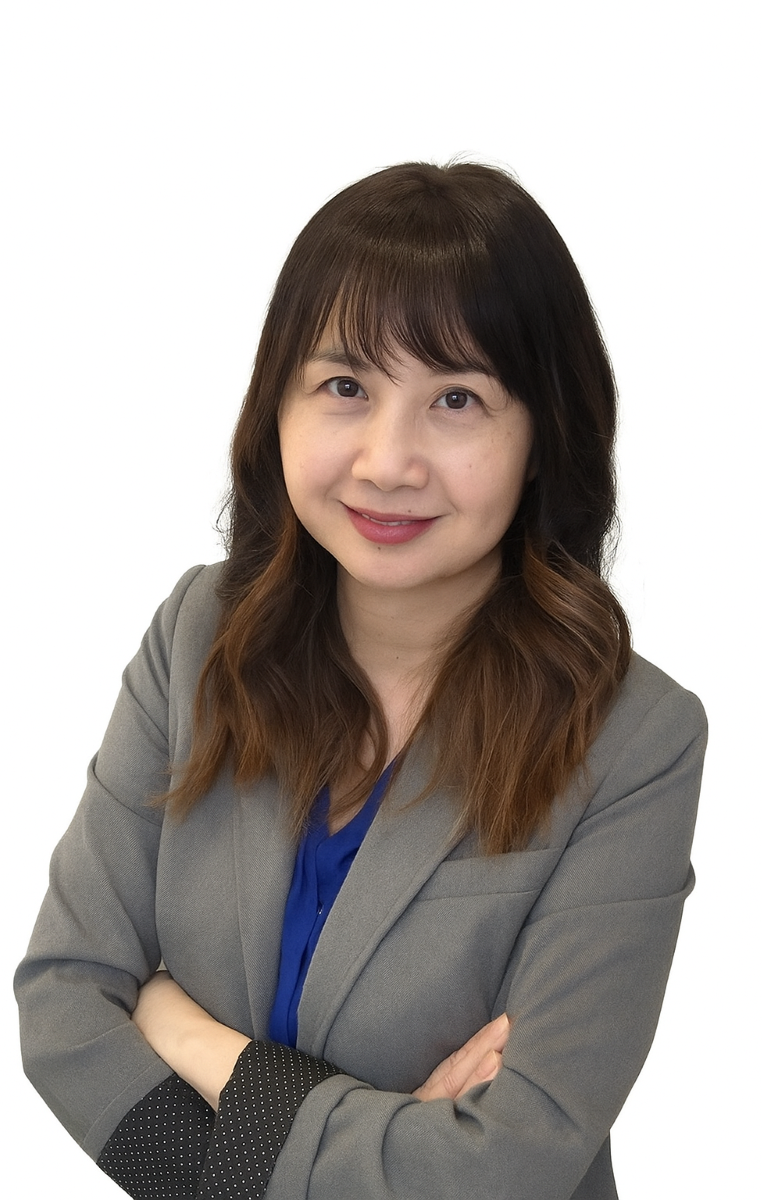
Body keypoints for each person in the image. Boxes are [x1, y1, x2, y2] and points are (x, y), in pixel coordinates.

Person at [15, 161, 706, 1200]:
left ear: (539, 438)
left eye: (456, 400)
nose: (387, 460)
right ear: (277, 405)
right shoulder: (198, 639)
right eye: (345, 387)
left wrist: (191, 1038)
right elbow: (62, 1007)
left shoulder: (632, 740)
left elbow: (510, 1164)